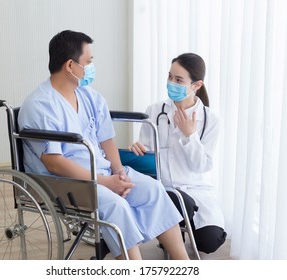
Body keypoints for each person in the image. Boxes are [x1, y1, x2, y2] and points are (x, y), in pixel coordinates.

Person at [18, 30, 189, 260]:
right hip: (65, 183)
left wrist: (118, 172)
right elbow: (55, 163)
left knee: (152, 190)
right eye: (88, 62)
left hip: (103, 172)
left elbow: (106, 139)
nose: (91, 67)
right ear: (70, 65)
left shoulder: (90, 96)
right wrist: (106, 182)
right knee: (116, 205)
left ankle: (183, 264)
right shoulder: (40, 105)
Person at [130, 53, 227, 254]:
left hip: (196, 189)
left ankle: (173, 228)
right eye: (170, 76)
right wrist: (138, 149)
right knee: (178, 201)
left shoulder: (211, 120)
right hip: (163, 188)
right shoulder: (155, 111)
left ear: (196, 85)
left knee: (211, 241)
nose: (171, 83)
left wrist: (189, 135)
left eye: (179, 80)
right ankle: (170, 232)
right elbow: (147, 153)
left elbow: (202, 166)